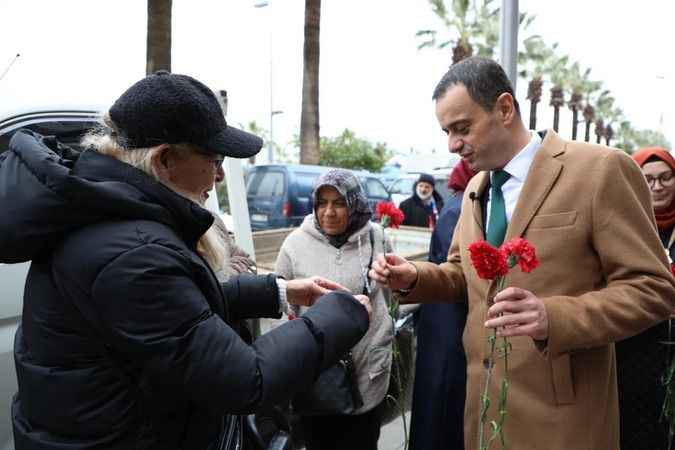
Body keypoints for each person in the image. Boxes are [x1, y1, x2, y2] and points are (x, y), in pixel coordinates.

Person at [0, 71, 373, 450]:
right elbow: (245, 380)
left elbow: (175, 316)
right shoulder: (131, 253)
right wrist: (343, 313)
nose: (221, 174)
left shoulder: (112, 222)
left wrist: (277, 292)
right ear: (164, 160)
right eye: (214, 158)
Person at [369, 57, 675, 450]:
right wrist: (415, 278)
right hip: (484, 417)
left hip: (565, 422)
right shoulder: (477, 188)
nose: (452, 144)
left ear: (505, 108)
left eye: (462, 128)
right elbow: (464, 274)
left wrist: (555, 317)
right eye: (446, 131)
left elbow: (653, 288)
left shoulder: (599, 169)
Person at [275, 169, 394, 450]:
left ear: (355, 205)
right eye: (322, 203)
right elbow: (281, 304)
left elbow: (388, 299)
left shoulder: (377, 238)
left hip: (367, 374)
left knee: (363, 442)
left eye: (339, 203)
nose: (329, 212)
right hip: (316, 376)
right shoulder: (295, 244)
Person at [409, 158, 476, 450]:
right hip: (450, 321)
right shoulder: (461, 209)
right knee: (444, 409)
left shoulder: (455, 205)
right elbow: (462, 270)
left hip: (441, 317)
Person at [613, 147, 675, 450]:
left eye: (666, 177)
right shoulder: (622, 224)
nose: (658, 186)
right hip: (634, 351)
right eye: (648, 180)